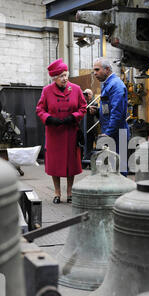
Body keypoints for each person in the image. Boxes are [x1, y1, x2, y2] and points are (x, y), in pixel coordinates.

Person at [36, 58, 87, 204]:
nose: (65, 79)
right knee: (55, 164)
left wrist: (74, 117)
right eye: (61, 76)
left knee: (71, 163)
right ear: (54, 78)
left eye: (66, 75)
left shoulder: (76, 89)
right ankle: (57, 193)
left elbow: (83, 108)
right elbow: (40, 109)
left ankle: (70, 192)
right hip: (54, 133)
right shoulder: (47, 91)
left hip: (71, 131)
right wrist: (49, 119)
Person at [92, 57, 129, 174]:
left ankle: (122, 192)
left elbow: (117, 114)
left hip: (117, 133)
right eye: (94, 70)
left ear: (107, 69)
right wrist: (98, 111)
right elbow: (109, 109)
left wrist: (108, 134)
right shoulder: (108, 84)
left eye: (97, 70)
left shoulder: (116, 85)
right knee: (111, 168)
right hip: (112, 131)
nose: (95, 73)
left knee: (119, 168)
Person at [82, 89, 99, 161]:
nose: (87, 96)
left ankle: (89, 159)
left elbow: (94, 110)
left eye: (88, 94)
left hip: (91, 127)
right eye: (86, 94)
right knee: (84, 144)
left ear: (91, 95)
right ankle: (85, 157)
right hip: (84, 127)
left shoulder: (94, 103)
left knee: (91, 143)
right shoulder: (82, 103)